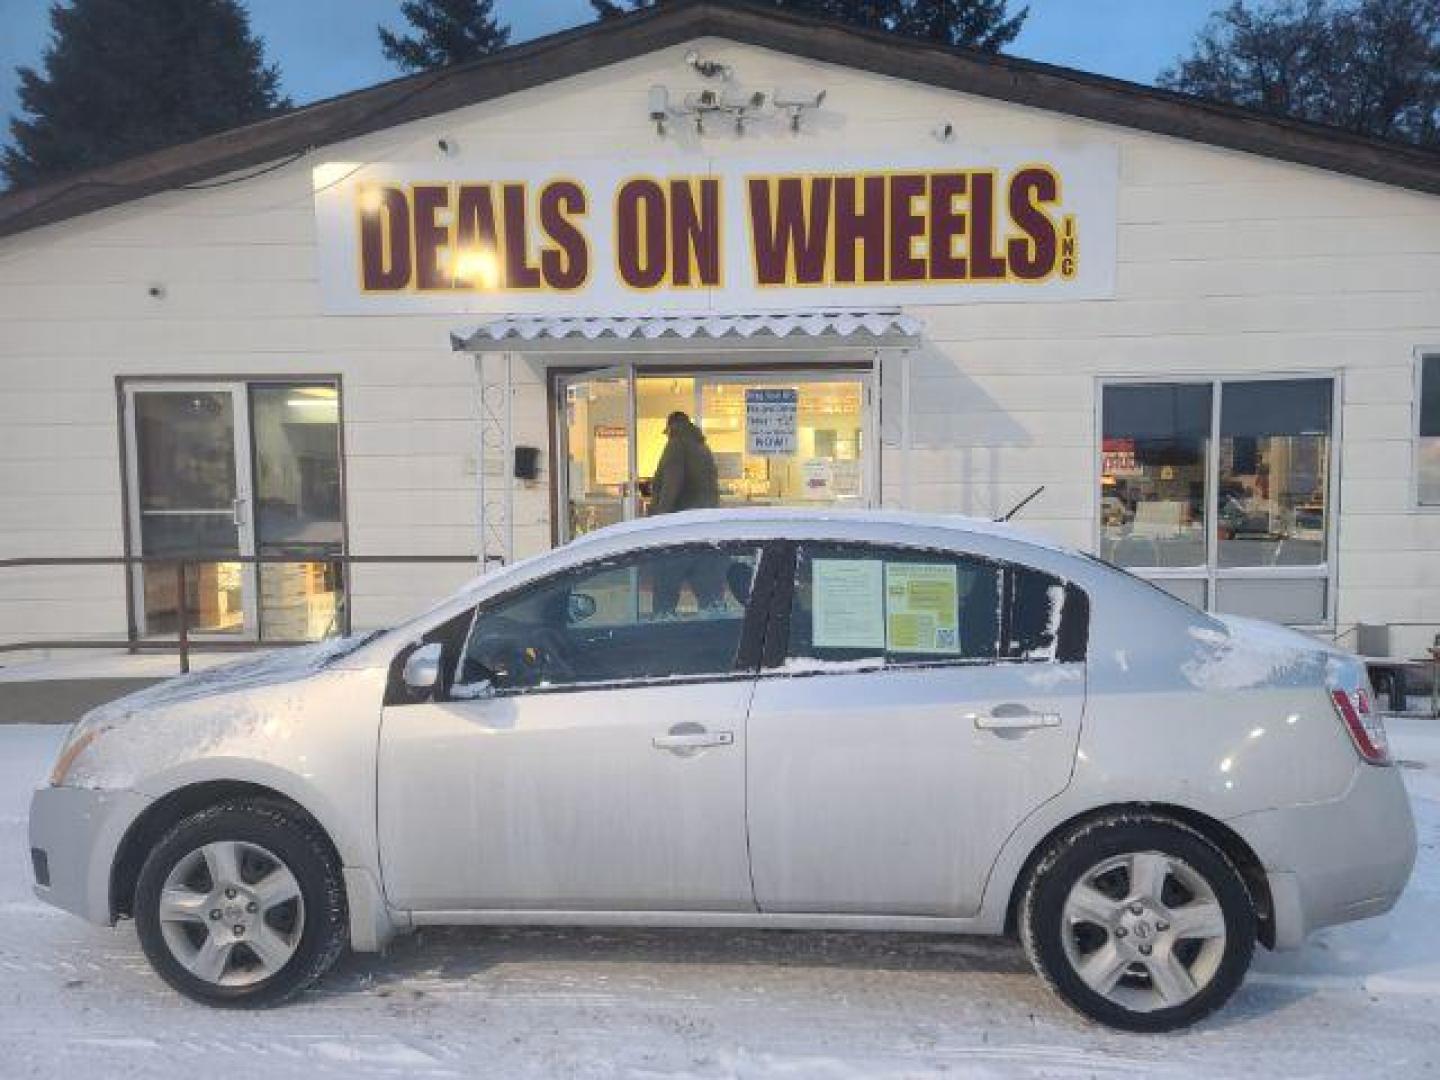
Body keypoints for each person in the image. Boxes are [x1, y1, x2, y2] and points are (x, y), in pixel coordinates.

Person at [648, 411, 724, 615]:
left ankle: (661, 630)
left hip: (677, 528)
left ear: (672, 428)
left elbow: (672, 483)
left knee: (665, 591)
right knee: (709, 594)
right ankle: (718, 630)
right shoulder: (703, 448)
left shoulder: (676, 446)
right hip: (704, 528)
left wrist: (659, 520)